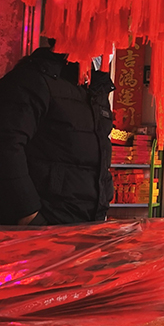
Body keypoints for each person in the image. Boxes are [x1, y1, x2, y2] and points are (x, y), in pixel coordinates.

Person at [0, 40, 115, 226]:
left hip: (87, 223)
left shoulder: (94, 88)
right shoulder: (32, 80)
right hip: (43, 225)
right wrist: (29, 215)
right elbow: (7, 146)